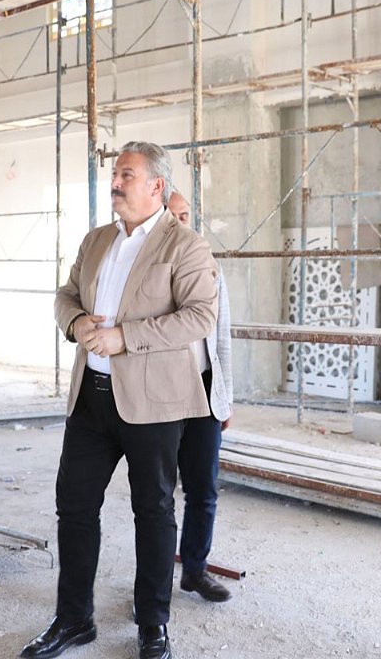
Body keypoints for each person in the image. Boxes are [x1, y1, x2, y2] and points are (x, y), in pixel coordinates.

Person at [22, 141, 218, 659]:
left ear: (157, 185)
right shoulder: (96, 240)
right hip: (91, 398)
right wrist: (76, 322)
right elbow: (65, 296)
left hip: (153, 403)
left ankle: (153, 624)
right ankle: (73, 620)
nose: (115, 182)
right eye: (115, 173)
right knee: (74, 506)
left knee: (153, 511)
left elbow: (200, 316)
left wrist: (126, 337)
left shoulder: (186, 246)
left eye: (126, 174)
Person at [165, 191, 234, 603]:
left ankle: (195, 570)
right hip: (163, 392)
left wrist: (226, 395)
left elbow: (222, 335)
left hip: (206, 388)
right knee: (157, 497)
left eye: (185, 215)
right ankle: (153, 584)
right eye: (172, 216)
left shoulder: (210, 264)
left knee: (204, 489)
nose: (180, 223)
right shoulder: (148, 266)